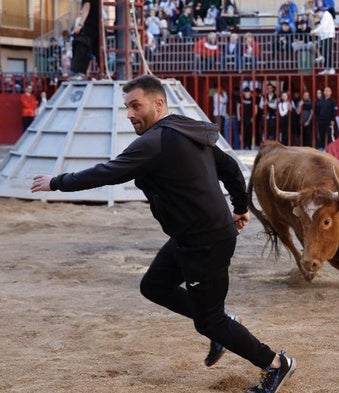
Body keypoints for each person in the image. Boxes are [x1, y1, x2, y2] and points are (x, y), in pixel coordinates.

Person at [30, 75, 296, 393]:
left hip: (205, 241)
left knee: (209, 321)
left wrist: (57, 181)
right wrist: (240, 207)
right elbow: (229, 169)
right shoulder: (189, 128)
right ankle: (225, 325)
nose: (129, 114)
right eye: (126, 107)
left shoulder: (156, 141)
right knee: (154, 286)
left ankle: (275, 363)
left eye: (135, 106)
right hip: (190, 237)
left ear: (158, 104)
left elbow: (107, 172)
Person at [71, 0, 100, 79]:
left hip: (89, 26)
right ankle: (103, 69)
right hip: (97, 27)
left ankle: (79, 72)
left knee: (80, 44)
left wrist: (80, 25)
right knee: (97, 50)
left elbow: (87, 7)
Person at [311, 6, 335, 75]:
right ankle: (326, 68)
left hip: (328, 36)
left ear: (320, 12)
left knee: (328, 53)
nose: (317, 15)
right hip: (324, 37)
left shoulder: (326, 15)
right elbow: (322, 28)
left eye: (317, 14)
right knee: (325, 53)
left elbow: (323, 27)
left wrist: (314, 31)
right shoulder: (323, 17)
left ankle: (331, 68)